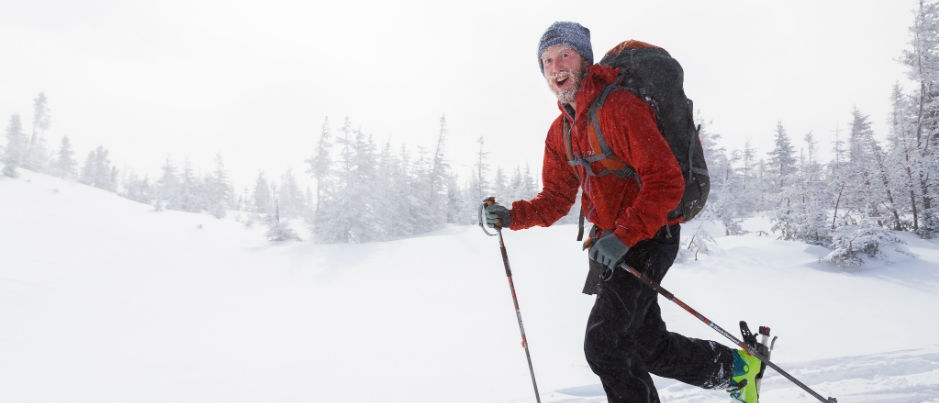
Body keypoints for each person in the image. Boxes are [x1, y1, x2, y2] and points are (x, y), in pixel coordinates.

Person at [483, 21, 763, 403]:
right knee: (645, 344)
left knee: (605, 345)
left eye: (565, 54)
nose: (556, 66)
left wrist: (624, 237)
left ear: (584, 59)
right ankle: (736, 370)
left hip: (650, 236)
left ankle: (735, 371)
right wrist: (512, 216)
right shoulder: (560, 131)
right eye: (547, 60)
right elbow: (555, 199)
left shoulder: (619, 109)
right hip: (610, 244)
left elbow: (666, 182)